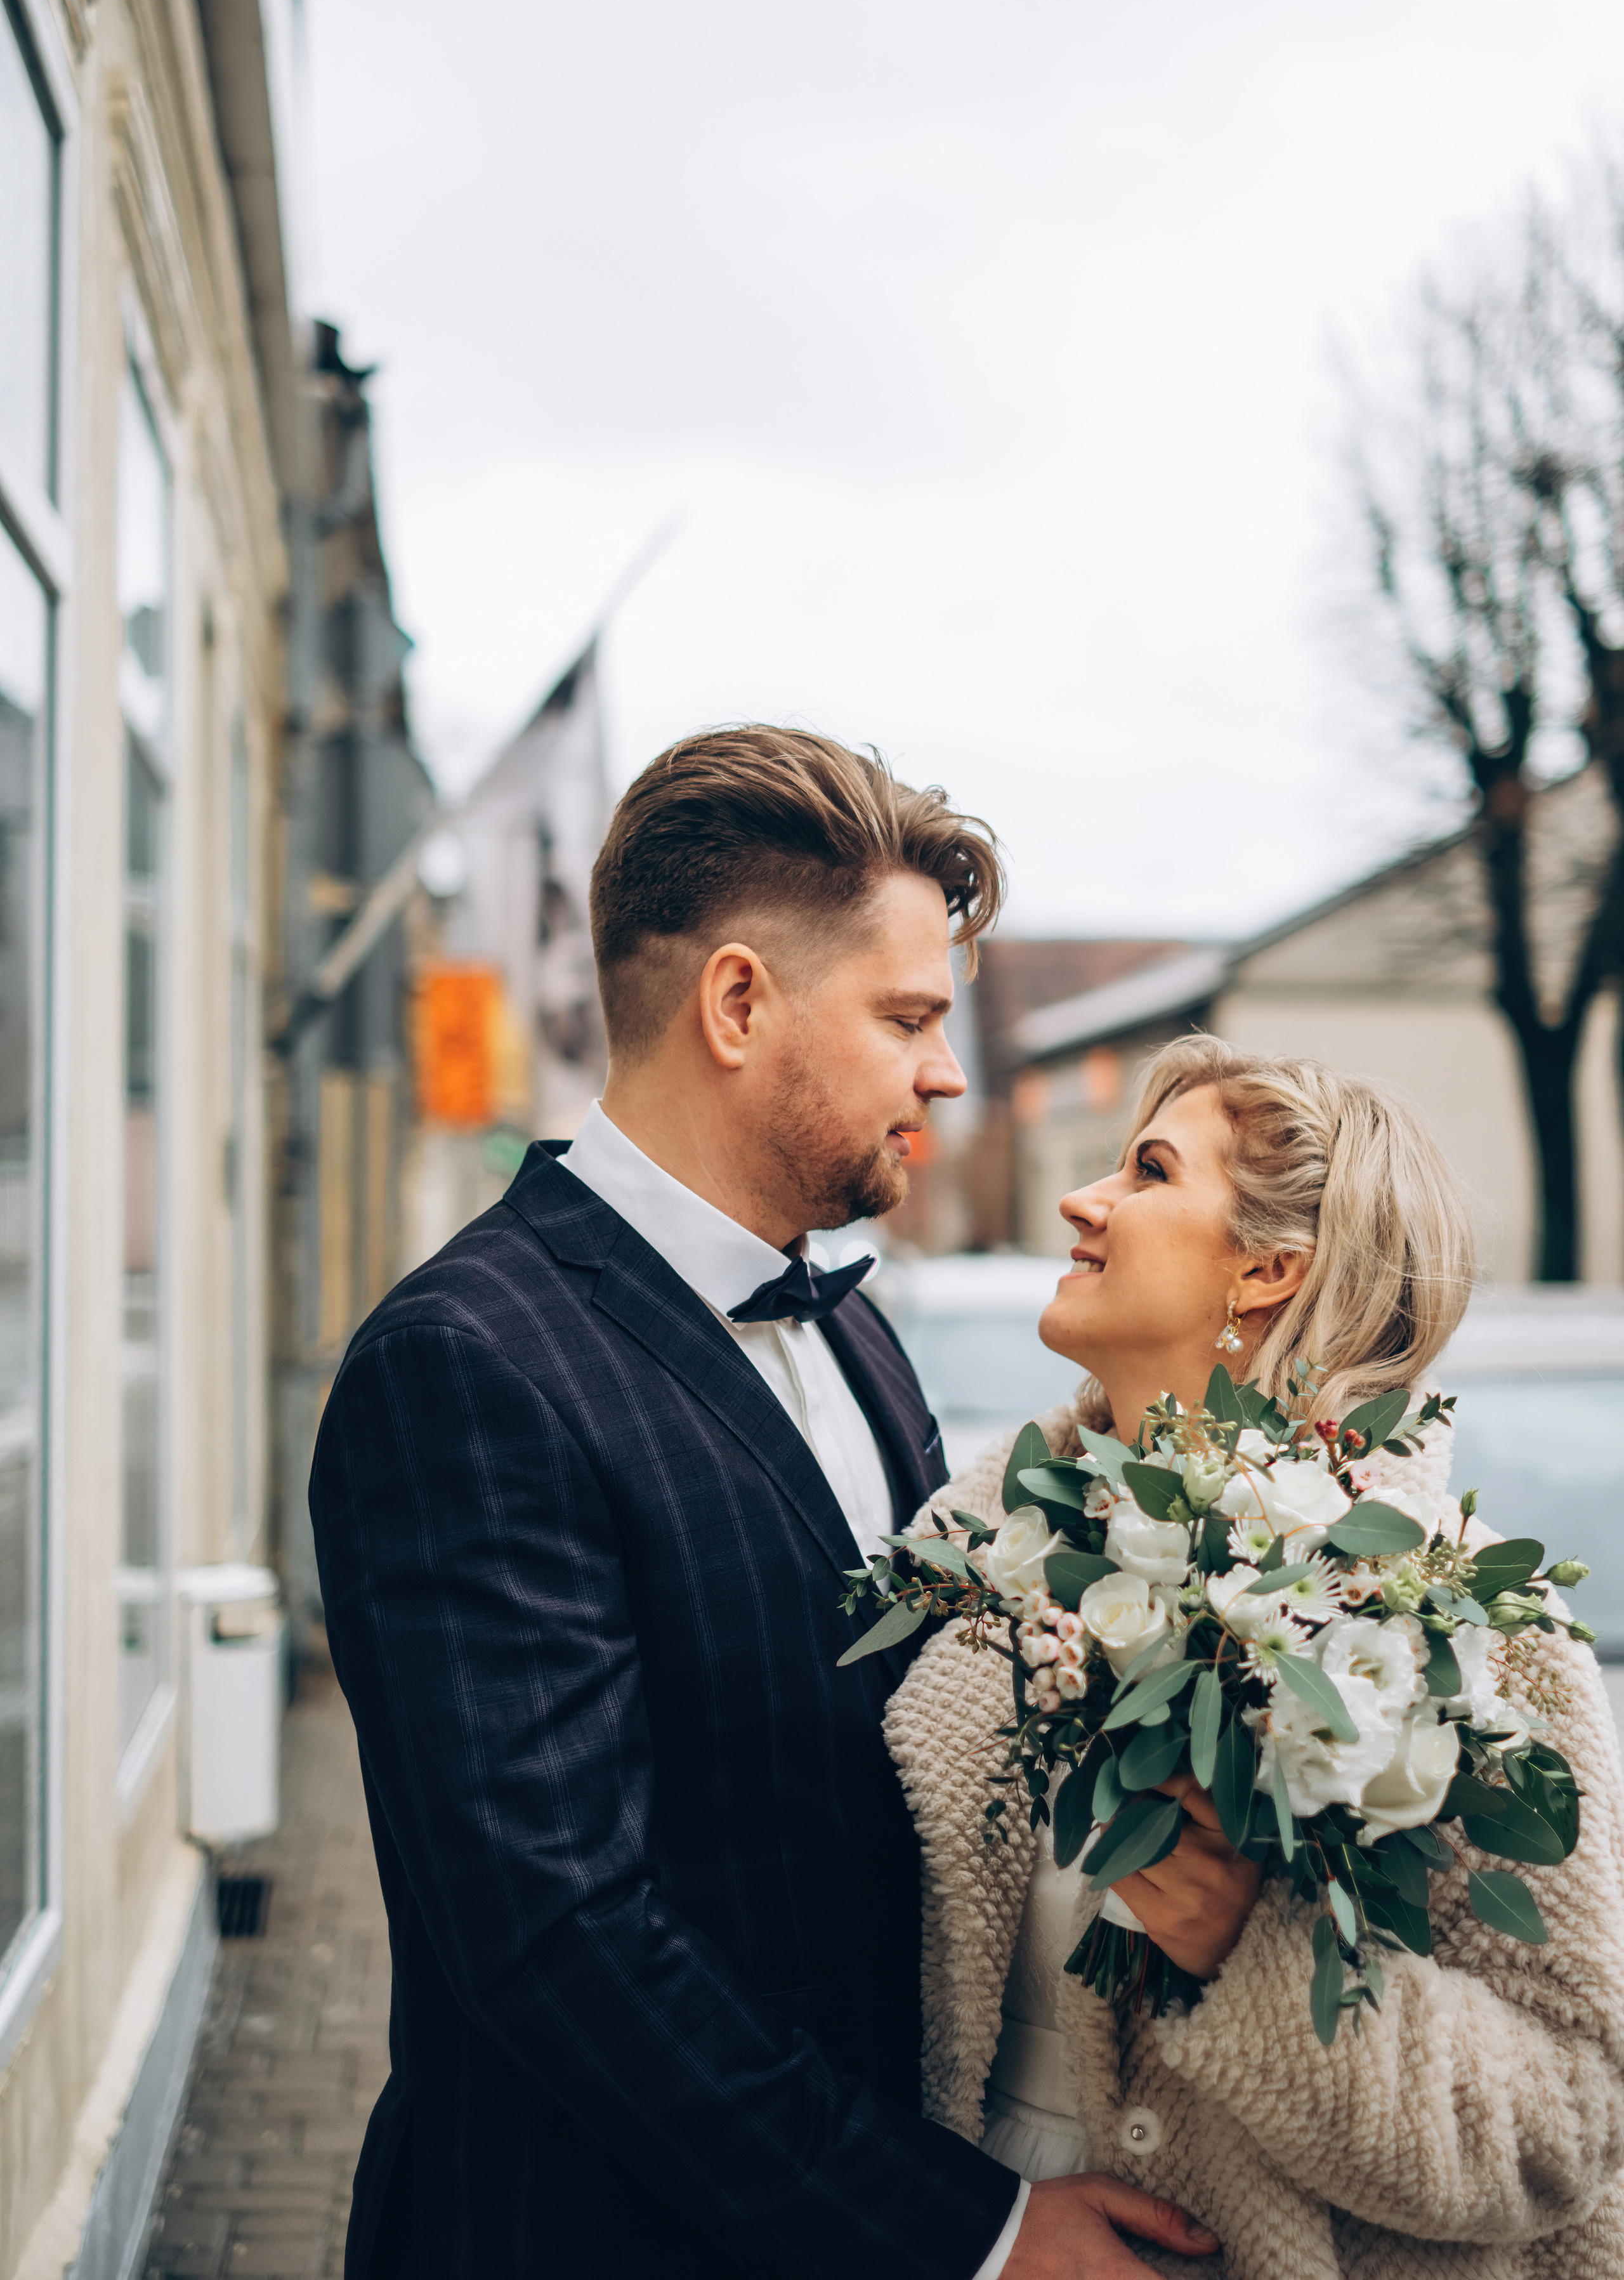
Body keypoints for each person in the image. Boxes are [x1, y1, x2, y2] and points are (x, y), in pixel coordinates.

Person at [310, 727, 1220, 2280]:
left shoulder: (855, 1326)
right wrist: (980, 2235)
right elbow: (561, 1940)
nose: (943, 1068)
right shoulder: (462, 1367)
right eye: (907, 1017)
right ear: (738, 1002)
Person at [885, 1035, 1624, 2278]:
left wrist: (1258, 1960)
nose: (1081, 1200)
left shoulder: (1456, 1625)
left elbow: (1564, 2125)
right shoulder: (973, 1549)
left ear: (1265, 1271)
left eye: (1146, 1172)